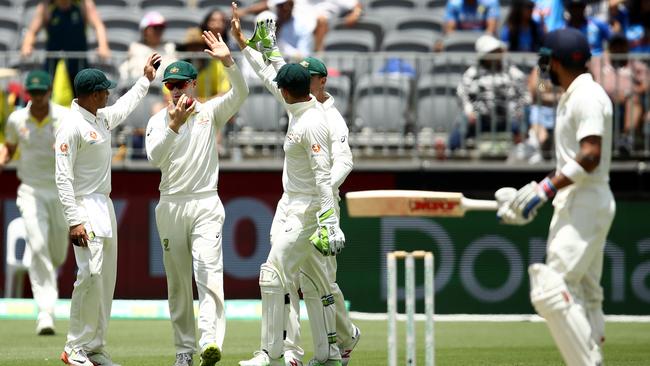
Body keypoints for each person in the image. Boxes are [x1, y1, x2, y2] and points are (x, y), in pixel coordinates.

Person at [231, 8, 360, 365]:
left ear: (320, 81)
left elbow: (336, 167)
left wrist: (327, 215)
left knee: (297, 278)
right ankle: (301, 352)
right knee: (301, 280)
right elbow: (272, 72)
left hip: (314, 204)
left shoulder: (326, 119)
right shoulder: (298, 108)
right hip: (292, 201)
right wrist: (245, 45)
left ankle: (294, 349)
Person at [496, 28, 615, 366]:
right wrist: (539, 193)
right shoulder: (572, 94)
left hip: (585, 199)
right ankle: (593, 355)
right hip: (581, 201)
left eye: (547, 62)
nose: (543, 69)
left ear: (557, 62)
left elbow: (590, 154)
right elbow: (543, 90)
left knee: (551, 289)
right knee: (584, 294)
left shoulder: (587, 96)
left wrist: (544, 189)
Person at [145, 31, 248, 366]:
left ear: (193, 85)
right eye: (170, 86)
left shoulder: (209, 113)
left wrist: (229, 62)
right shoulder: (158, 121)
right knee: (177, 284)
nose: (175, 91)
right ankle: (183, 351)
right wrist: (174, 126)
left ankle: (209, 343)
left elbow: (241, 92)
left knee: (208, 273)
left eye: (181, 85)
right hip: (171, 204)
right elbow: (154, 158)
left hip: (205, 202)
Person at [55, 53, 161, 366]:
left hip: (104, 204)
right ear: (90, 94)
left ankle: (95, 347)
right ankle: (74, 347)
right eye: (103, 91)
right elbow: (62, 178)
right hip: (83, 205)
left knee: (104, 280)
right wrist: (73, 220)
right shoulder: (71, 127)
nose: (108, 94)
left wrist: (144, 80)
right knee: (89, 274)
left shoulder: (100, 117)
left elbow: (124, 107)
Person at [0, 70, 70, 335]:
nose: (39, 98)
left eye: (43, 92)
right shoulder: (17, 119)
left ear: (50, 91)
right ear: (29, 93)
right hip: (30, 190)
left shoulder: (64, 116)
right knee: (38, 246)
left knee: (56, 253)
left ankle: (46, 294)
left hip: (60, 192)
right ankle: (46, 312)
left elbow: (78, 146)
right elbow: (9, 146)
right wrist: (3, 159)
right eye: (34, 93)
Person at [449, 34, 529, 151]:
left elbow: (525, 94)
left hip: (508, 118)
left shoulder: (512, 71)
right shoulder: (472, 73)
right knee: (461, 124)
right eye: (492, 52)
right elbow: (461, 92)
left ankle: (527, 152)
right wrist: (469, 111)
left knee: (525, 119)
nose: (496, 55)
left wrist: (518, 110)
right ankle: (451, 154)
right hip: (480, 119)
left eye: (497, 51)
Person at [21, 0, 111, 94]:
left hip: (77, 61)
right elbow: (32, 31)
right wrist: (27, 45)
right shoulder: (46, 6)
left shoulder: (84, 4)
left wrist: (103, 46)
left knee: (82, 94)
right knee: (46, 92)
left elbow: (99, 26)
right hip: (53, 60)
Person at [591, 33, 648, 156]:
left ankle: (626, 137)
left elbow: (647, 84)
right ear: (609, 48)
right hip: (601, 98)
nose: (618, 49)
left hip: (628, 98)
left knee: (634, 100)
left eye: (621, 45)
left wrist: (631, 91)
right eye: (615, 46)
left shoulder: (635, 64)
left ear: (626, 47)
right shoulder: (597, 62)